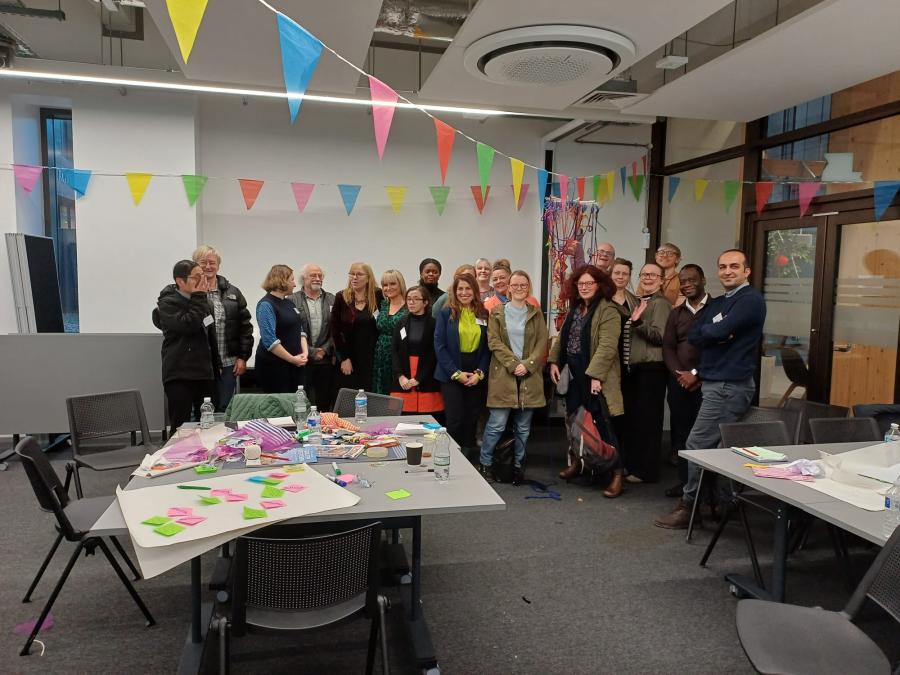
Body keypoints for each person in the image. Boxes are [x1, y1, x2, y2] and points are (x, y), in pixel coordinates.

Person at [655, 250, 766, 529]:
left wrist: (717, 332)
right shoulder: (722, 303)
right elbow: (697, 333)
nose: (728, 271)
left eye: (734, 266)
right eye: (723, 266)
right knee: (717, 448)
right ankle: (720, 503)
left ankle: (689, 506)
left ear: (747, 271)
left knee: (697, 445)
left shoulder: (750, 300)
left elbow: (713, 333)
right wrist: (718, 332)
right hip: (717, 383)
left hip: (729, 386)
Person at [548, 265, 624, 498]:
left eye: (590, 283)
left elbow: (607, 347)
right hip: (573, 375)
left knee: (603, 425)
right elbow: (562, 338)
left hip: (594, 376)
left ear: (600, 285)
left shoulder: (609, 310)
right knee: (573, 421)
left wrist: (596, 377)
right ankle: (579, 463)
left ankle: (617, 475)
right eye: (581, 284)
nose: (585, 287)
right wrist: (553, 362)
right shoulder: (576, 309)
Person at [480, 270, 548, 485]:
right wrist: (514, 364)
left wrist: (527, 365)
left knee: (523, 427)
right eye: (515, 285)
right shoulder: (497, 313)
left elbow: (541, 343)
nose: (519, 288)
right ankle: (486, 463)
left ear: (528, 288)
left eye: (523, 285)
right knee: (497, 424)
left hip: (529, 377)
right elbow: (494, 342)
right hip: (503, 375)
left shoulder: (535, 313)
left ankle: (518, 466)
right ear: (508, 287)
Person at [614, 262, 671, 484]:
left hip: (652, 369)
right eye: (644, 274)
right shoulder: (638, 301)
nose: (647, 278)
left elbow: (660, 336)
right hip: (635, 369)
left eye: (653, 275)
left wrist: (638, 323)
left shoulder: (661, 303)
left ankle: (647, 470)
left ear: (661, 280)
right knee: (635, 421)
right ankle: (634, 465)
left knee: (648, 422)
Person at [152, 260, 220, 435]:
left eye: (202, 276)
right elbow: (188, 325)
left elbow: (210, 337)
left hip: (204, 372)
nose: (202, 281)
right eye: (196, 277)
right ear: (180, 281)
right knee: (180, 425)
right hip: (179, 373)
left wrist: (215, 368)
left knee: (206, 422)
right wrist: (199, 297)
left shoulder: (205, 303)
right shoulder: (167, 304)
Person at [662, 265, 710, 498]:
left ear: (703, 280)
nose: (687, 284)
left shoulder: (715, 308)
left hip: (706, 382)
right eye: (683, 281)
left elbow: (719, 349)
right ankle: (684, 483)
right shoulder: (676, 313)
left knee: (705, 436)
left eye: (692, 279)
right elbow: (668, 347)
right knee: (681, 434)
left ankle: (705, 487)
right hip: (679, 383)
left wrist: (696, 374)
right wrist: (679, 374)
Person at [434, 272, 490, 459]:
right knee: (455, 419)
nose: (464, 292)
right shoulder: (445, 313)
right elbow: (439, 346)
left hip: (475, 372)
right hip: (451, 372)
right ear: (454, 291)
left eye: (468, 288)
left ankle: (468, 458)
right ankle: (451, 457)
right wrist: (456, 373)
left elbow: (487, 348)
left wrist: (480, 373)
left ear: (474, 291)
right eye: (460, 289)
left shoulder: (483, 313)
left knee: (472, 418)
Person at [191, 245, 253, 412]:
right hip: (201, 364)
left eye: (212, 262)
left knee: (224, 408)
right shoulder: (190, 291)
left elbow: (245, 327)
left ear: (218, 265)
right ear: (195, 265)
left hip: (228, 363)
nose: (208, 267)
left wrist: (243, 357)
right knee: (202, 410)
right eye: (203, 262)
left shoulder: (232, 292)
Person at [254, 265, 309, 393]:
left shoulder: (289, 302)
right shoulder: (266, 305)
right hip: (274, 368)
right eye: (292, 280)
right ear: (281, 281)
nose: (295, 285)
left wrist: (304, 354)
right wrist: (292, 359)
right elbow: (269, 340)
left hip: (295, 365)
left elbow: (300, 330)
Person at [391, 286, 444, 418]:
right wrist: (400, 376)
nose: (411, 302)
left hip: (426, 378)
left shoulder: (434, 324)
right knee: (402, 420)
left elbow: (434, 355)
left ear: (425, 302)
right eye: (408, 299)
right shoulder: (401, 323)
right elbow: (394, 351)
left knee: (428, 422)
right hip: (403, 377)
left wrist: (419, 378)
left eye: (416, 299)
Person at [290, 263, 335, 410]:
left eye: (320, 275)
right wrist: (310, 351)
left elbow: (336, 329)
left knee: (324, 402)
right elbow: (291, 331)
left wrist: (324, 350)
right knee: (301, 403)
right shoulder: (291, 300)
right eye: (313, 275)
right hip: (301, 360)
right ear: (304, 278)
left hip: (325, 360)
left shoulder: (332, 299)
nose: (317, 278)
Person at [331, 262, 383, 392]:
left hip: (373, 357)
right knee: (349, 396)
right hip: (348, 357)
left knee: (371, 395)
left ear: (368, 278)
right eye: (352, 274)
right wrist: (344, 358)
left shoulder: (378, 296)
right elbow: (335, 331)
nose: (354, 277)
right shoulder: (341, 297)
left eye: (359, 274)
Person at [373, 269, 408, 394]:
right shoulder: (382, 305)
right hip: (380, 354)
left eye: (393, 284)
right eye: (385, 285)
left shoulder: (409, 306)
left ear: (401, 284)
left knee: (396, 394)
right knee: (380, 391)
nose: (388, 288)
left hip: (400, 355)